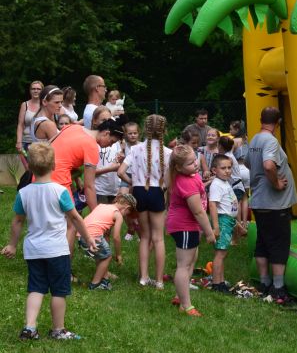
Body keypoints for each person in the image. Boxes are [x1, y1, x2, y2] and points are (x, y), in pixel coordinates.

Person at [2, 142, 96, 340]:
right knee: (58, 291)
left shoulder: (23, 193)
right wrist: (88, 238)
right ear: (54, 166)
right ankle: (58, 330)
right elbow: (75, 218)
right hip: (57, 250)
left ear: (29, 167)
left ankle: (29, 328)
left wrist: (12, 244)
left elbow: (18, 221)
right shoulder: (60, 191)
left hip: (33, 250)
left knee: (36, 288)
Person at [246, 106, 297, 303]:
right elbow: (268, 165)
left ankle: (264, 282)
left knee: (263, 241)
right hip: (274, 203)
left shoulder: (255, 139)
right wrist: (276, 183)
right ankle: (278, 288)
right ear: (278, 122)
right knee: (279, 244)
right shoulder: (270, 140)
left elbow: (249, 163)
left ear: (261, 120)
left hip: (260, 201)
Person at [119, 114, 171, 289]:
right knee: (158, 238)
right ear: (164, 130)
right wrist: (164, 188)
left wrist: (132, 182)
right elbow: (169, 180)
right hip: (157, 191)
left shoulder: (135, 149)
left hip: (139, 191)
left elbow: (120, 172)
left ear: (145, 129)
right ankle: (159, 281)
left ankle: (143, 277)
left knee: (145, 237)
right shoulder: (168, 152)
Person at [165, 145, 216, 316]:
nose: (195, 164)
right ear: (178, 168)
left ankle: (180, 296)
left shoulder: (190, 175)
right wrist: (209, 232)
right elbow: (198, 211)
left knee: (190, 261)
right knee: (184, 265)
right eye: (190, 163)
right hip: (184, 227)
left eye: (195, 160)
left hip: (188, 226)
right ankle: (186, 306)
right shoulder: (185, 181)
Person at [77, 193, 136, 290]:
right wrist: (119, 255)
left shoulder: (102, 206)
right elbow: (116, 237)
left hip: (82, 234)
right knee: (107, 256)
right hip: (94, 236)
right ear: (127, 208)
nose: (126, 215)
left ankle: (104, 279)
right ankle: (95, 284)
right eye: (128, 213)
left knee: (101, 255)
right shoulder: (118, 215)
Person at [207, 155, 247, 293]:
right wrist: (216, 227)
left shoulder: (225, 182)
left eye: (229, 167)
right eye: (223, 168)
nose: (227, 171)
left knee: (222, 253)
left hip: (228, 220)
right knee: (220, 254)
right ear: (214, 170)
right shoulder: (217, 184)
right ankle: (216, 284)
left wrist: (238, 225)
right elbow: (212, 205)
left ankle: (221, 281)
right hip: (223, 221)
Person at [14, 80, 44, 160]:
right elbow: (20, 125)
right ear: (30, 91)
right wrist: (19, 141)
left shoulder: (45, 105)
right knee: (28, 166)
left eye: (38, 89)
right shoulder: (25, 105)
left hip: (41, 143)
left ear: (42, 91)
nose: (36, 91)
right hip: (26, 142)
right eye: (33, 89)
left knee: (40, 166)